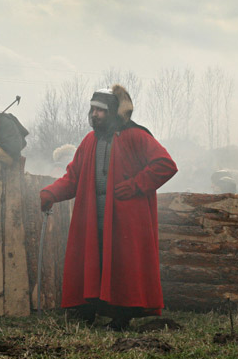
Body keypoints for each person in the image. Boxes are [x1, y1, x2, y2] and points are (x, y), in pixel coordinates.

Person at [39, 85, 177, 330]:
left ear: (112, 111)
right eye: (92, 109)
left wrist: (135, 184)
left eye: (100, 110)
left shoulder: (136, 136)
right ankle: (89, 310)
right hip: (94, 215)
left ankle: (122, 317)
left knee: (124, 265)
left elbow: (165, 164)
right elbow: (73, 178)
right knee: (93, 260)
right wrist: (51, 192)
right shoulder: (89, 141)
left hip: (126, 217)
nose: (95, 114)